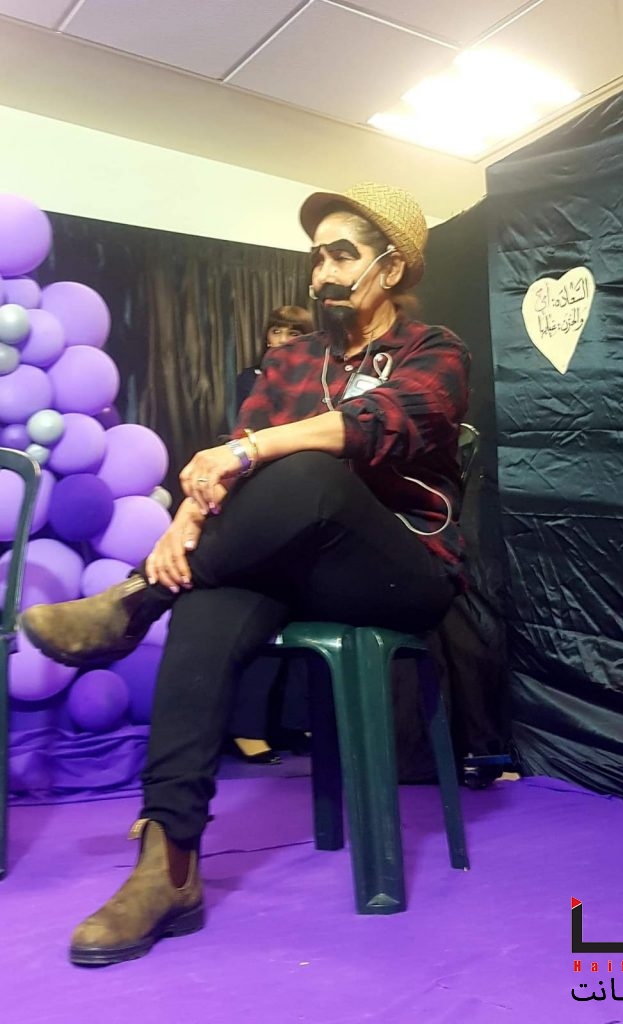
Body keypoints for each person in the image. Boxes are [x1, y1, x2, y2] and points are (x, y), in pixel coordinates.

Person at [20, 181, 471, 967]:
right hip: (293, 565)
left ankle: (136, 600)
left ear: (392, 268)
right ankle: (167, 865)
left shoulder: (435, 350)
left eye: (342, 256)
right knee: (210, 595)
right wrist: (189, 520)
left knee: (309, 472)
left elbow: (379, 425)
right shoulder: (293, 359)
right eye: (316, 258)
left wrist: (250, 450)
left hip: (399, 570)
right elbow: (233, 470)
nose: (322, 273)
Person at [229, 304, 315, 766]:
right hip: (264, 497)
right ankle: (246, 727)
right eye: (276, 331)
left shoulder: (322, 378)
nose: (281, 339)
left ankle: (296, 721)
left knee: (305, 616)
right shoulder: (254, 378)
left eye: (292, 332)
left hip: (310, 498)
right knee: (263, 614)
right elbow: (253, 436)